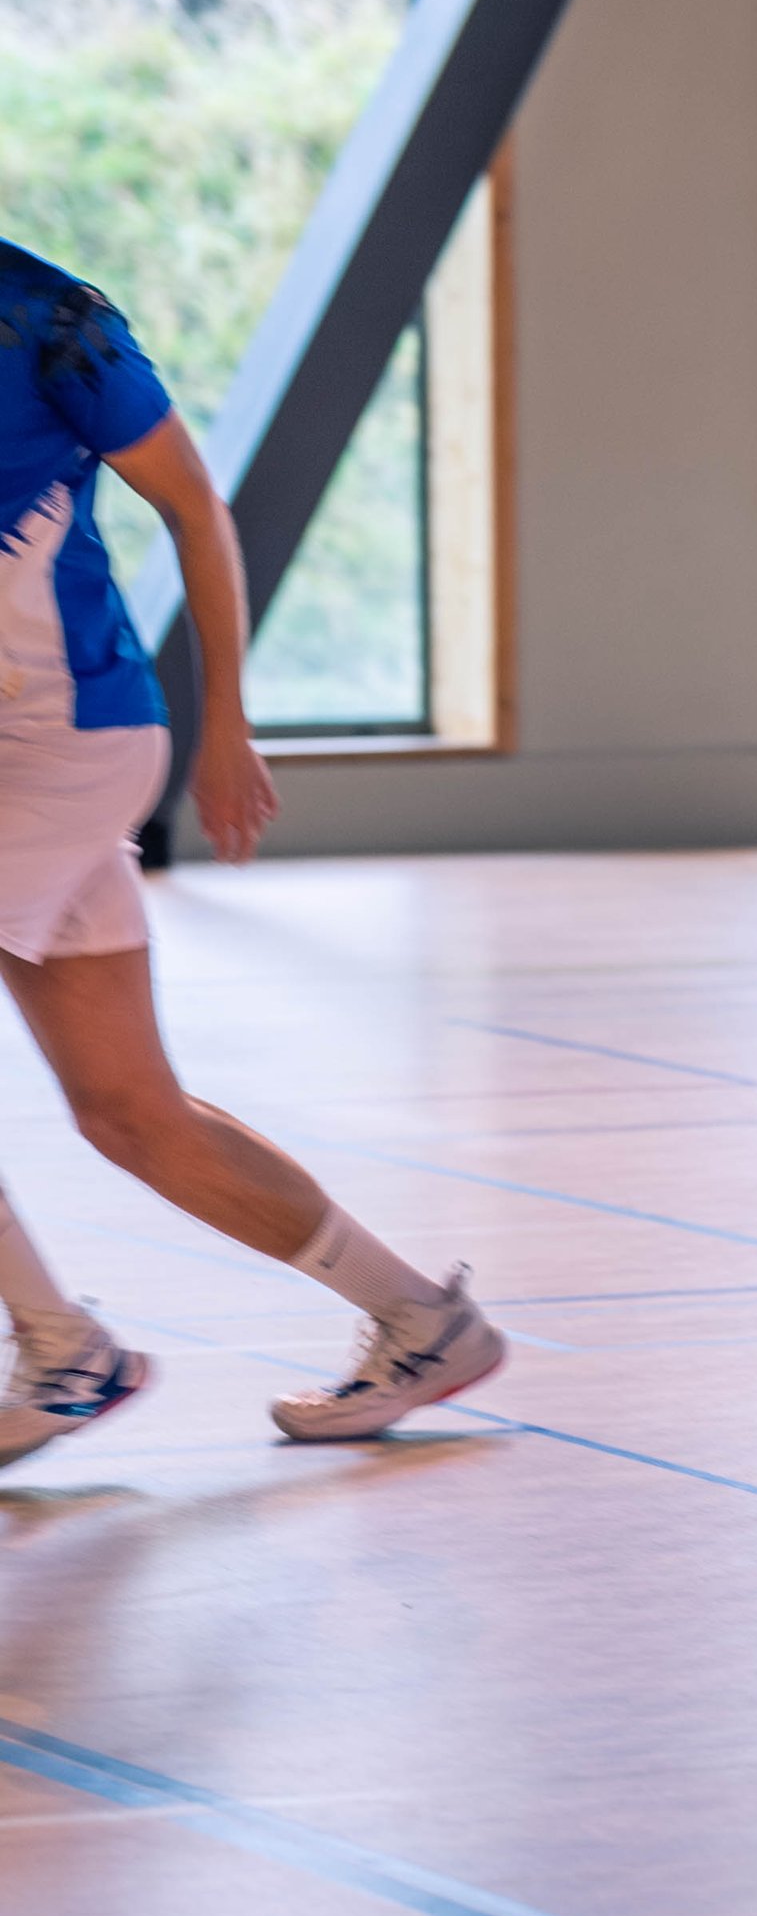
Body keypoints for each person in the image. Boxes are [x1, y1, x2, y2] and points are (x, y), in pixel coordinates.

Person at [0, 243, 503, 1471]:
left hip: (63, 741)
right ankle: (423, 1322)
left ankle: (61, 1349)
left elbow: (194, 503)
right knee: (133, 1115)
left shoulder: (49, 322)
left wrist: (229, 719)